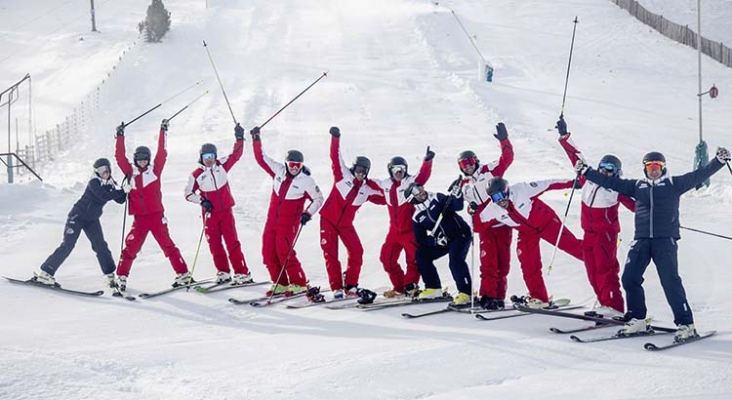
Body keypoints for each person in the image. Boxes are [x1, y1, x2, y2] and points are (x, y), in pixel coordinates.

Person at [575, 146, 731, 341]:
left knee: (670, 282)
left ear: (663, 168)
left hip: (664, 241)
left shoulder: (674, 184)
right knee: (629, 279)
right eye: (650, 166)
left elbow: (698, 175)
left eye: (658, 166)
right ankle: (637, 318)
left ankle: (686, 324)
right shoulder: (636, 186)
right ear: (645, 168)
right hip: (641, 240)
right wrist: (586, 171)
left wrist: (718, 161)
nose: (654, 169)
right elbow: (610, 182)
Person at [556, 115, 635, 316]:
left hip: (605, 235)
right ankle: (603, 305)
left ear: (616, 173)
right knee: (592, 272)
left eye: (611, 169)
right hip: (588, 234)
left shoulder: (616, 189)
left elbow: (635, 206)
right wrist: (564, 135)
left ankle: (614, 307)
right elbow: (576, 157)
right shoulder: (588, 179)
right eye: (603, 167)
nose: (605, 171)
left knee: (605, 270)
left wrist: (657, 213)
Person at [480, 177, 584, 308]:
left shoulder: (522, 190)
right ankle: (539, 298)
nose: (499, 200)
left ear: (506, 190)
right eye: (494, 197)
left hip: (547, 222)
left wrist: (572, 183)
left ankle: (599, 261)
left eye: (500, 195)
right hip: (526, 233)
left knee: (571, 245)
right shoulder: (492, 209)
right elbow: (480, 220)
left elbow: (548, 184)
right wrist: (472, 211)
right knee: (527, 262)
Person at [114, 120, 191, 291]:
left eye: (145, 160)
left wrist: (163, 131)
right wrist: (120, 136)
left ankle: (183, 273)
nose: (142, 162)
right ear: (136, 160)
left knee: (167, 245)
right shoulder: (130, 173)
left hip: (156, 216)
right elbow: (119, 157)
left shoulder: (154, 171)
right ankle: (121, 276)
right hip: (139, 219)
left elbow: (162, 153)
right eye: (140, 160)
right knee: (131, 247)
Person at [32, 158, 128, 288]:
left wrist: (127, 188)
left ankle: (110, 275)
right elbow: (103, 196)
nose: (104, 172)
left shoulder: (110, 184)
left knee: (100, 245)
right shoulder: (94, 182)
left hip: (92, 220)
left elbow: (120, 200)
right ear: (96, 172)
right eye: (101, 170)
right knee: (68, 245)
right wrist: (122, 190)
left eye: (106, 169)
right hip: (77, 216)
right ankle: (45, 273)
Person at [251, 126, 324, 296]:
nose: (294, 168)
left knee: (284, 252)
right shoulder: (278, 171)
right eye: (291, 164)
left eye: (298, 165)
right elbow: (261, 158)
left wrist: (307, 213)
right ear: (286, 163)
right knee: (268, 252)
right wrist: (256, 139)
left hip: (288, 223)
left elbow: (319, 198)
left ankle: (298, 282)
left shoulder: (306, 181)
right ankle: (281, 283)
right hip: (272, 221)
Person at [318, 127, 384, 298]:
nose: (360, 173)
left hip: (346, 224)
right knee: (331, 253)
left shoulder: (367, 189)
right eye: (358, 169)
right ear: (354, 168)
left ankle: (351, 285)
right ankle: (336, 287)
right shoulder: (342, 175)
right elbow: (335, 156)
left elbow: (387, 197)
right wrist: (335, 137)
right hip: (328, 220)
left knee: (357, 251)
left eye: (364, 171)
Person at [184, 124, 254, 286]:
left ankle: (242, 273)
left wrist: (239, 138)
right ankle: (223, 272)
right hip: (209, 214)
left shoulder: (221, 166)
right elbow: (187, 193)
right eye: (206, 156)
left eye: (212, 155)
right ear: (201, 157)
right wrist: (202, 201)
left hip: (225, 212)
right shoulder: (196, 175)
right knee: (214, 243)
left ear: (215, 156)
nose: (209, 159)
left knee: (232, 242)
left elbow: (236, 155)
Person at [458, 122, 514, 310]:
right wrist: (471, 209)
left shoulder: (489, 171)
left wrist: (504, 140)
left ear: (475, 161)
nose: (467, 167)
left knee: (503, 263)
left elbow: (507, 158)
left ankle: (499, 296)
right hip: (485, 228)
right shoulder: (464, 185)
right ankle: (488, 295)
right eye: (463, 165)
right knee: (488, 263)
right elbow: (466, 204)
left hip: (502, 223)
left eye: (469, 163)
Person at [373, 148, 434, 298]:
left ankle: (410, 285)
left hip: (410, 230)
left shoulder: (409, 182)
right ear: (390, 170)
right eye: (395, 169)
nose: (399, 171)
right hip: (394, 231)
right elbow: (369, 184)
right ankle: (400, 287)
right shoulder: (385, 184)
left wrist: (427, 162)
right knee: (386, 258)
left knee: (413, 260)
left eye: (402, 169)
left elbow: (422, 176)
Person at [406, 180, 473, 307]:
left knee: (455, 261)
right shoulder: (417, 217)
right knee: (422, 253)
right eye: (415, 191)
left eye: (420, 187)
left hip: (460, 234)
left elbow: (457, 206)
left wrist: (457, 195)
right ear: (411, 198)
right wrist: (435, 241)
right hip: (444, 241)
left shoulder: (436, 197)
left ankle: (466, 293)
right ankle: (433, 288)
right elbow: (421, 240)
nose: (421, 191)